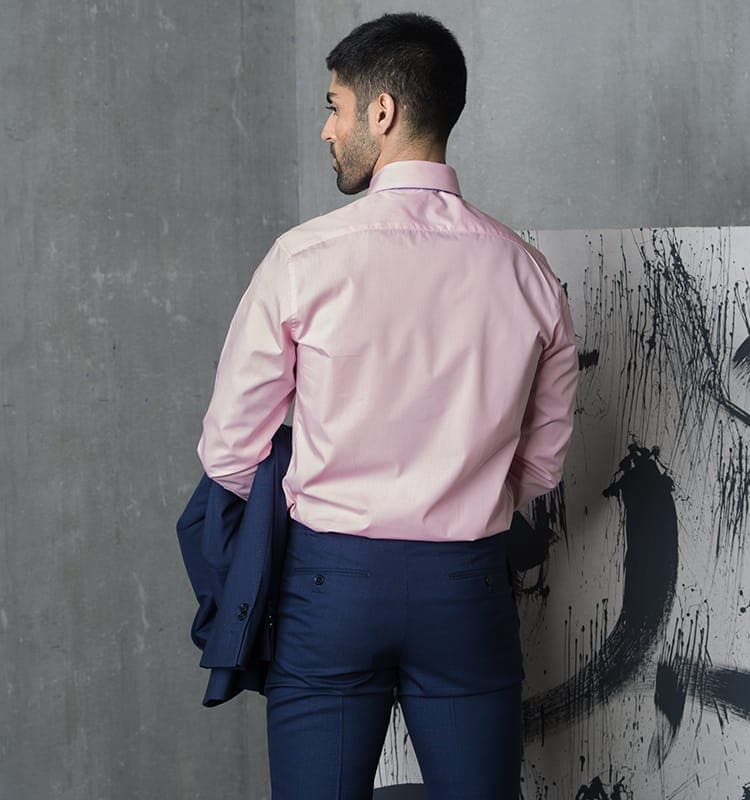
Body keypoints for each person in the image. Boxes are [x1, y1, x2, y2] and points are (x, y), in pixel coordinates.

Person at [197, 12, 578, 800]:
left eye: (334, 106)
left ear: (382, 111)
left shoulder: (305, 260)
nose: (327, 129)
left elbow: (229, 453)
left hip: (330, 590)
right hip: (466, 590)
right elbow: (541, 467)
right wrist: (459, 498)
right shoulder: (529, 273)